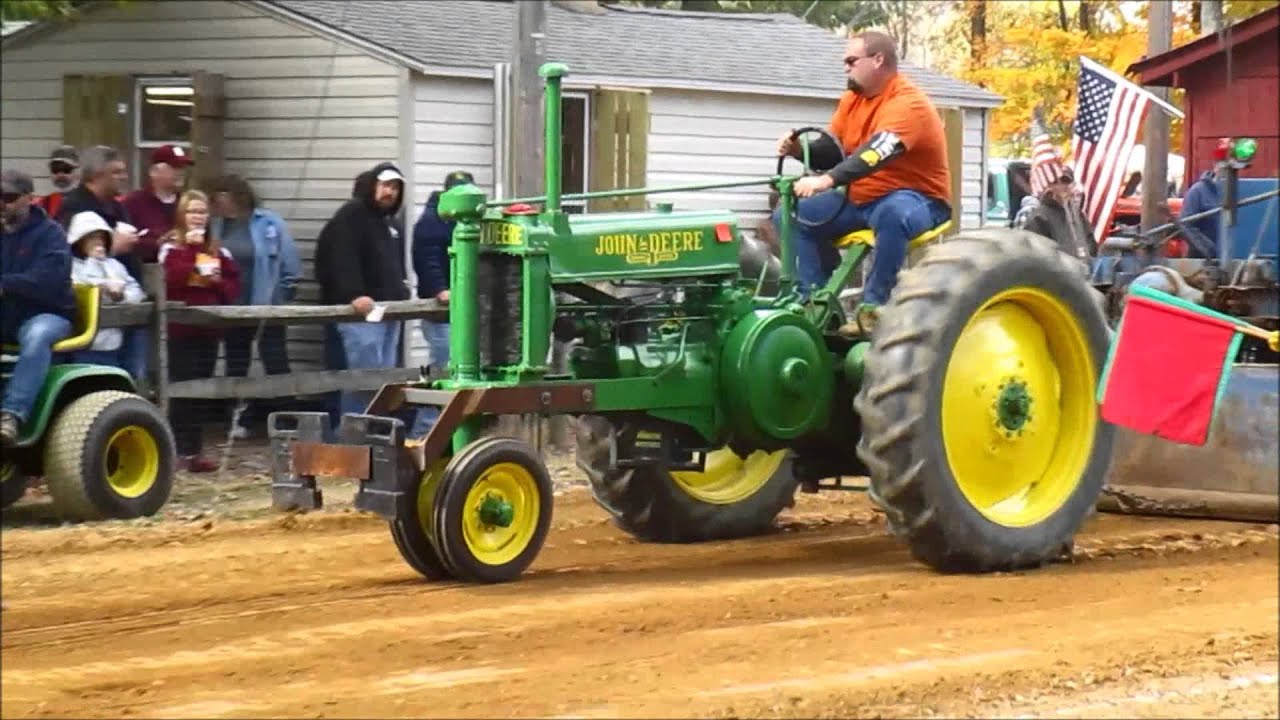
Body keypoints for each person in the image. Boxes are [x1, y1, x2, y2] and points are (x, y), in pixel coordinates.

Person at [772, 30, 952, 334]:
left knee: (891, 214)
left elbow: (877, 152)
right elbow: (833, 152)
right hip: (861, 199)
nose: (845, 67)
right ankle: (814, 301)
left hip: (918, 199)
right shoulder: (851, 101)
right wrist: (797, 150)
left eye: (851, 60)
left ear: (878, 59)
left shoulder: (909, 104)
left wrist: (826, 181)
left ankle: (874, 307)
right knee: (787, 215)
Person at [314, 162, 412, 422]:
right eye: (385, 185)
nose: (389, 192)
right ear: (373, 185)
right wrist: (353, 293)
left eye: (395, 187)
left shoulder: (391, 224)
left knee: (383, 379)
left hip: (390, 313)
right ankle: (354, 434)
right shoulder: (351, 215)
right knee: (361, 380)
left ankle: (376, 431)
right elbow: (340, 258)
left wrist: (402, 293)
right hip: (361, 315)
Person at [209, 174, 301, 438]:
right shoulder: (215, 227)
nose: (221, 204)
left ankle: (288, 419)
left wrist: (281, 296)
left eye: (225, 197)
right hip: (230, 309)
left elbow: (290, 265)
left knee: (276, 362)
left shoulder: (268, 223)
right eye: (217, 199)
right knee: (236, 364)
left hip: (266, 306)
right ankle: (237, 419)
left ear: (239, 196)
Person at [159, 190, 241, 472]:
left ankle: (194, 450)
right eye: (192, 211)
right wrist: (196, 262)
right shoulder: (170, 247)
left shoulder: (219, 250)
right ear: (182, 215)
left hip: (209, 330)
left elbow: (231, 288)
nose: (197, 217)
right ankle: (176, 449)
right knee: (181, 389)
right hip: (180, 329)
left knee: (202, 389)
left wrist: (213, 281)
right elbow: (174, 280)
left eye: (202, 212)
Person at [1, 170, 76, 446]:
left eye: (8, 197)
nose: (2, 204)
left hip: (47, 313)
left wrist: (5, 285)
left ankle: (11, 415)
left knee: (36, 336)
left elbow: (48, 282)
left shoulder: (51, 234)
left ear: (30, 199)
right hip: (7, 313)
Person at [66, 211, 146, 367]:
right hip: (85, 346)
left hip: (114, 343)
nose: (98, 242)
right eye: (92, 237)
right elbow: (81, 289)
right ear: (79, 240)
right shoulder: (69, 266)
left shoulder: (115, 266)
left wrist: (121, 296)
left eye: (101, 236)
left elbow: (137, 292)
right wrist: (95, 265)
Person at [412, 170, 473, 374]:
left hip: (466, 307)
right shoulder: (431, 221)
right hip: (442, 310)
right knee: (444, 362)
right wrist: (439, 289)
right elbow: (426, 259)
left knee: (459, 362)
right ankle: (430, 405)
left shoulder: (468, 219)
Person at [54, 145, 141, 281]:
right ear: (96, 175)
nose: (124, 177)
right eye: (116, 172)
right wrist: (112, 247)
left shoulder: (117, 207)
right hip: (91, 293)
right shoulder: (74, 208)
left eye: (124, 172)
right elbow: (63, 256)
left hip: (128, 291)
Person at [122, 144, 193, 263]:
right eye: (174, 167)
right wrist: (158, 242)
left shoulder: (188, 202)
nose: (180, 172)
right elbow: (125, 243)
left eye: (183, 168)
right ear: (153, 171)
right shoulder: (133, 203)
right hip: (147, 272)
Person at [1021, 167, 1096, 272]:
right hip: (1055, 276)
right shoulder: (1039, 216)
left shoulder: (1077, 215)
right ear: (1049, 186)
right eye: (1056, 182)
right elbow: (1032, 252)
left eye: (1066, 181)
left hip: (1082, 275)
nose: (1062, 186)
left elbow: (1090, 242)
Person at [1180, 165, 1222, 259]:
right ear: (1216, 166)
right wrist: (1208, 249)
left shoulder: (1239, 191)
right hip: (1203, 261)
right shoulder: (1198, 191)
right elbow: (1185, 225)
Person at [34, 145, 80, 220]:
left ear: (77, 172)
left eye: (66, 169)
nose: (60, 175)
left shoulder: (86, 201)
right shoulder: (44, 204)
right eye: (55, 169)